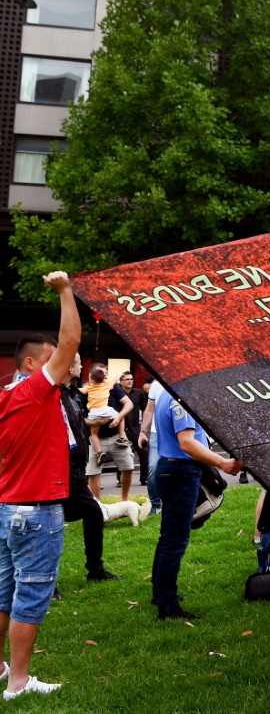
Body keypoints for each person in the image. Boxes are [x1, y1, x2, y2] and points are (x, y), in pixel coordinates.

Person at [0, 272, 80, 699]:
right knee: (30, 595)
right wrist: (66, 292)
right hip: (35, 511)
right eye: (50, 361)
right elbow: (68, 344)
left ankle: (1, 667)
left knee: (3, 591)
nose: (64, 366)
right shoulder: (33, 391)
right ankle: (18, 682)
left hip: (8, 507)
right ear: (31, 365)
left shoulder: (5, 398)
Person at [151, 389, 242, 620]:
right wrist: (222, 462)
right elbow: (186, 443)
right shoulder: (179, 396)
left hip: (171, 469)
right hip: (180, 472)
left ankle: (161, 595)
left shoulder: (165, 393)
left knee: (168, 537)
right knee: (175, 540)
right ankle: (168, 607)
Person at [60, 354, 118, 583]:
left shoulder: (72, 394)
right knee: (50, 524)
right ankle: (45, 581)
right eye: (77, 361)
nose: (81, 365)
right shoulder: (54, 395)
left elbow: (76, 424)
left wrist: (93, 423)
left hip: (75, 471)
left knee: (93, 512)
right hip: (58, 472)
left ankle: (96, 571)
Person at [83, 374, 133, 502]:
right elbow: (79, 416)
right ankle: (97, 504)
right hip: (97, 437)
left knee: (128, 467)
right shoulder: (87, 391)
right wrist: (94, 423)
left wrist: (118, 417)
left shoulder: (114, 388)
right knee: (93, 472)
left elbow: (128, 404)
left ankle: (124, 500)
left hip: (115, 435)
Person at [80, 364, 129, 461]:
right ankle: (122, 437)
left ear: (91, 378)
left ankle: (99, 453)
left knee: (94, 434)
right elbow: (115, 379)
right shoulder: (107, 385)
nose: (105, 375)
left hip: (93, 412)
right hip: (106, 410)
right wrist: (120, 374)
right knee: (121, 416)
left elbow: (79, 390)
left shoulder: (89, 388)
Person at [137, 380, 163, 515]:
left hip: (179, 433)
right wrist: (142, 432)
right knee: (153, 467)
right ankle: (155, 504)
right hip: (157, 434)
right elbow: (149, 409)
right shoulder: (156, 386)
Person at [119, 372, 148, 487]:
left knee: (144, 452)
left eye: (131, 379)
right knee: (122, 454)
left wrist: (143, 429)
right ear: (121, 382)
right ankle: (120, 478)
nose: (129, 381)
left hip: (136, 428)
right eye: (126, 379)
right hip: (121, 428)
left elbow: (145, 409)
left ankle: (144, 478)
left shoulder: (139, 393)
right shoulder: (118, 393)